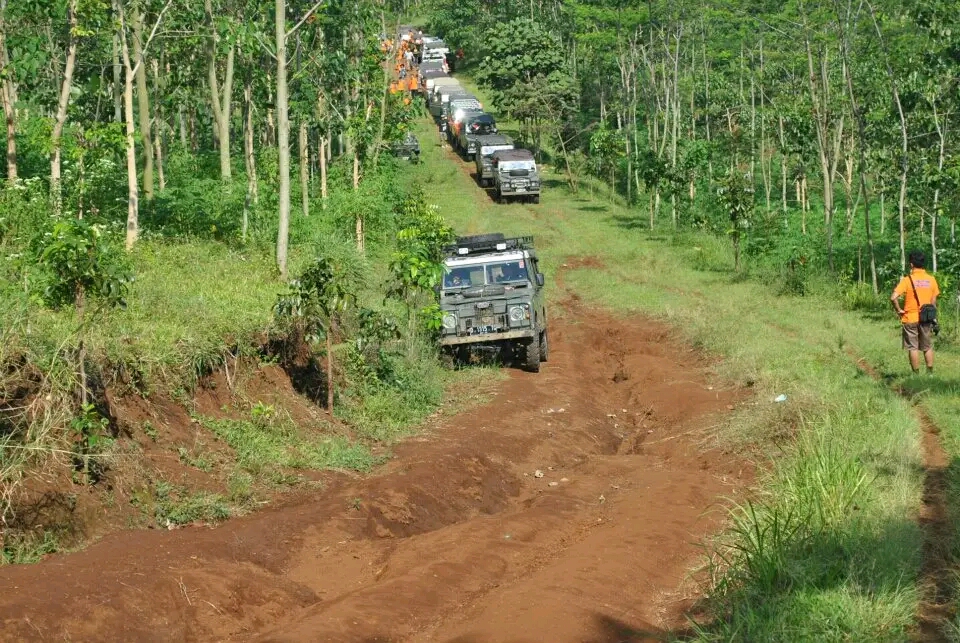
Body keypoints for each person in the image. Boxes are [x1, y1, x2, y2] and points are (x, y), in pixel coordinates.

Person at [891, 249, 940, 375]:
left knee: (913, 347)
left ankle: (916, 375)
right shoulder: (931, 279)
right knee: (927, 346)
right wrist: (933, 318)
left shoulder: (907, 280)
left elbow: (893, 297)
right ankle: (930, 374)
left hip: (910, 318)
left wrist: (899, 310)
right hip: (926, 318)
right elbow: (933, 302)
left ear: (911, 264)